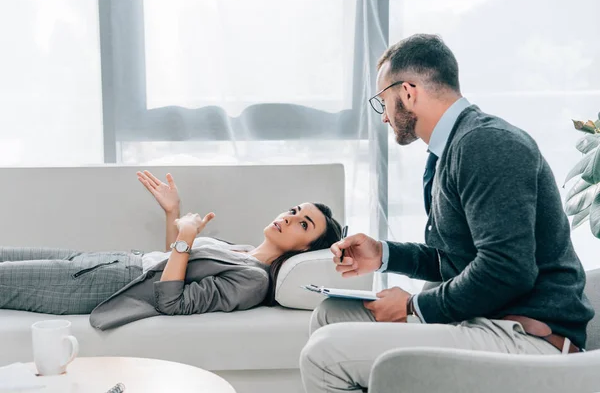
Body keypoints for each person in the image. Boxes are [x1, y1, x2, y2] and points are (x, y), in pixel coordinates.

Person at [299, 33, 595, 392]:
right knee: (331, 315)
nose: (384, 118)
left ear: (407, 92)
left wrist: (412, 305)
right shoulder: (451, 148)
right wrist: (383, 255)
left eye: (384, 102)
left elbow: (507, 270)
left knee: (325, 354)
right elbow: (457, 260)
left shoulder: (487, 144)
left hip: (527, 337)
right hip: (487, 319)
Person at [0, 170, 342, 329]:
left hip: (104, 283)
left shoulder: (255, 281)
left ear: (304, 249)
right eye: (294, 210)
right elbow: (173, 262)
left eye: (303, 224)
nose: (289, 217)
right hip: (101, 260)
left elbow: (171, 300)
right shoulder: (242, 251)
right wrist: (173, 214)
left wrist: (188, 237)